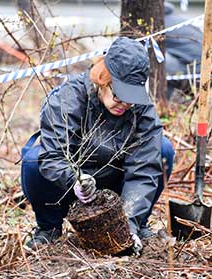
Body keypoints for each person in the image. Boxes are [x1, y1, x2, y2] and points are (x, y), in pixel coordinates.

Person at [21, 37, 175, 254]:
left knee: (163, 149)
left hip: (117, 186)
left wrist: (128, 224)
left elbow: (145, 168)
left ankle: (138, 226)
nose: (125, 105)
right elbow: (53, 155)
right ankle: (48, 228)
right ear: (103, 79)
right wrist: (74, 179)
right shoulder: (69, 98)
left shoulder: (141, 109)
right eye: (119, 96)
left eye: (131, 98)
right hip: (73, 187)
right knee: (32, 161)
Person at [164, 1, 212, 100]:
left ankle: (167, 104)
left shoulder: (157, 23)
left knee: (154, 59)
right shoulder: (176, 19)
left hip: (201, 70)